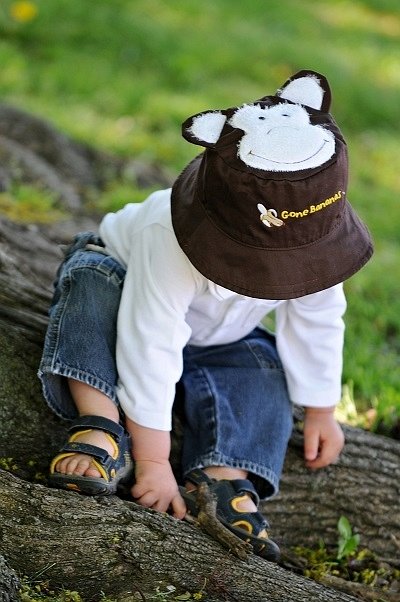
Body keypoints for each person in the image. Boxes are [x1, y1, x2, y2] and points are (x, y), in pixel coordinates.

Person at [38, 70, 373, 561]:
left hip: (216, 332)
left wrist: (321, 408)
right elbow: (148, 339)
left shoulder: (316, 240)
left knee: (261, 366)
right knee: (90, 295)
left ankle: (223, 472)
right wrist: (153, 462)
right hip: (125, 292)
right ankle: (100, 424)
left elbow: (319, 318)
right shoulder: (171, 238)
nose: (285, 272)